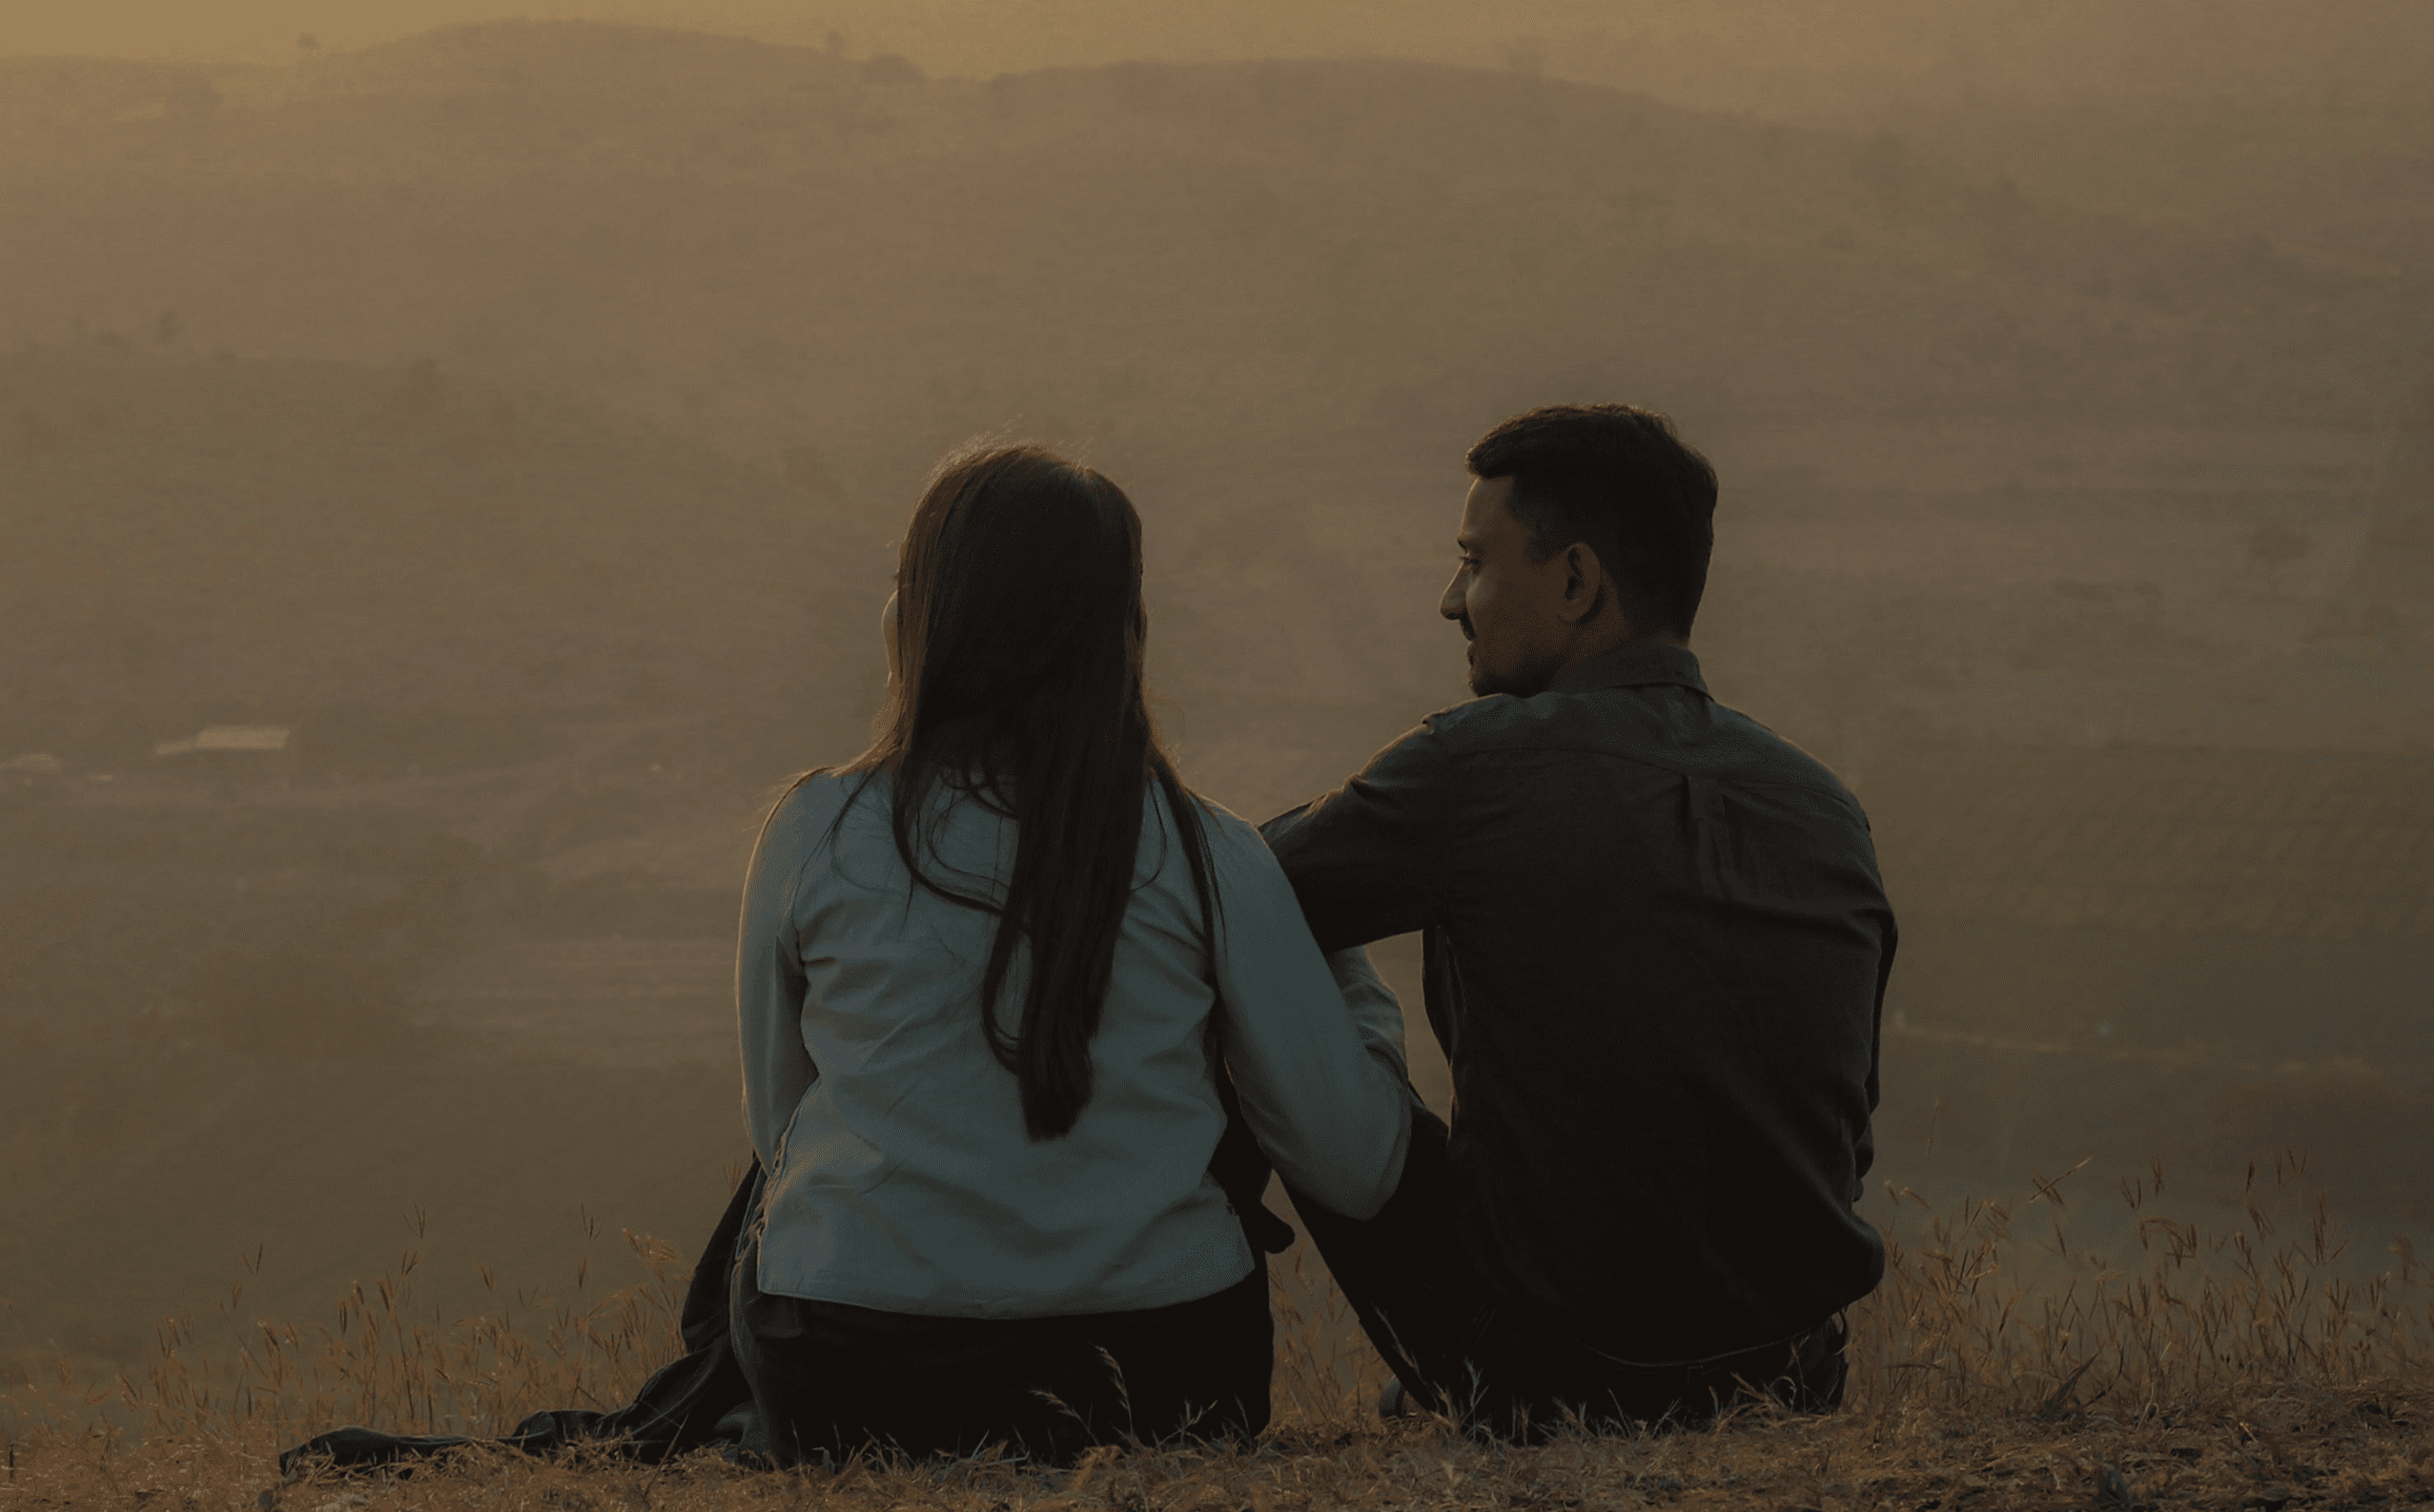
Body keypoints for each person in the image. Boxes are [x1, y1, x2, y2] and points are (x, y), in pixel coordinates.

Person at [730, 443, 1413, 1464]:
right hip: (1156, 1375)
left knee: (764, 1208)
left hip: (851, 1375)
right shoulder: (1206, 851)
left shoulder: (812, 828)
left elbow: (779, 1127)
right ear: (1124, 633)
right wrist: (1338, 966)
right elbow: (1355, 1171)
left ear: (922, 621)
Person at [1259, 403, 1897, 1439]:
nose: (1450, 601)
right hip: (1786, 1369)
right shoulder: (1826, 806)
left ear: (1575, 581)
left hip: (1555, 1375)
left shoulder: (1475, 768)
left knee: (1262, 949)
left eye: (1475, 563)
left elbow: (1242, 891)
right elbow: (1846, 1124)